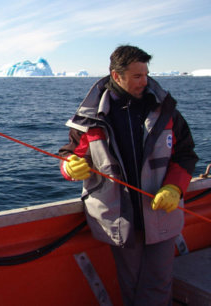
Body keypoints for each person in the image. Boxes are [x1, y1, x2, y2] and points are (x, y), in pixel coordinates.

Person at [58, 45, 198, 305]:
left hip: (161, 212)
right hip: (118, 218)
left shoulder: (166, 112)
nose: (144, 81)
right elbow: (71, 153)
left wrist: (174, 188)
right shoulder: (91, 118)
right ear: (116, 75)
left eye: (145, 74)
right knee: (130, 283)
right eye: (136, 76)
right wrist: (70, 165)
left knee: (158, 282)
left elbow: (186, 153)